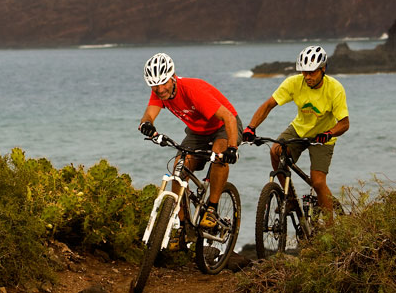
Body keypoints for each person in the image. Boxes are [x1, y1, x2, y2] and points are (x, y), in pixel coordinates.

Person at [138, 52, 243, 234]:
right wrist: (147, 124)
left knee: (219, 155)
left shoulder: (193, 91)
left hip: (223, 126)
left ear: (172, 78)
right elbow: (149, 115)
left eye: (163, 83)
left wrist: (232, 149)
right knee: (180, 167)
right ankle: (183, 225)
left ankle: (211, 208)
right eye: (154, 85)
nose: (160, 89)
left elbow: (228, 118)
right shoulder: (159, 93)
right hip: (197, 132)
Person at [242, 45, 349, 214]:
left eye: (312, 72)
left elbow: (344, 124)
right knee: (275, 151)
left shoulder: (335, 89)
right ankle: (290, 199)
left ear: (323, 69)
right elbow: (269, 105)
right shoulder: (294, 83)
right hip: (299, 130)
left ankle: (332, 232)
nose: (307, 76)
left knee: (318, 182)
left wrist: (329, 133)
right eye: (303, 72)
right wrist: (251, 127)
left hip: (323, 137)